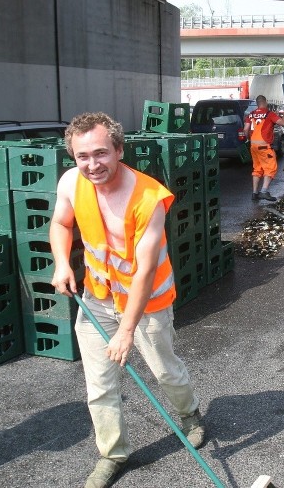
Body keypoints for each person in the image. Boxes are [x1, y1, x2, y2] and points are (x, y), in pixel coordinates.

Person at [50, 112, 204, 488]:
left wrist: (126, 330)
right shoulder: (72, 181)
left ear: (119, 150)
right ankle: (113, 453)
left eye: (100, 153)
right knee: (99, 383)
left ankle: (191, 416)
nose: (92, 164)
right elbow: (61, 223)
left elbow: (145, 269)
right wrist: (61, 265)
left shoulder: (148, 197)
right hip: (98, 297)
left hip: (146, 301)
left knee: (164, 369)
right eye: (82, 156)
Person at [244, 95, 284, 201]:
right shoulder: (269, 114)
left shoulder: (251, 114)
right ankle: (264, 192)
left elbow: (246, 129)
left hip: (253, 146)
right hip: (264, 146)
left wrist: (249, 139)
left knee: (257, 169)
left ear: (257, 103)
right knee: (270, 168)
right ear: (265, 101)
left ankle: (254, 193)